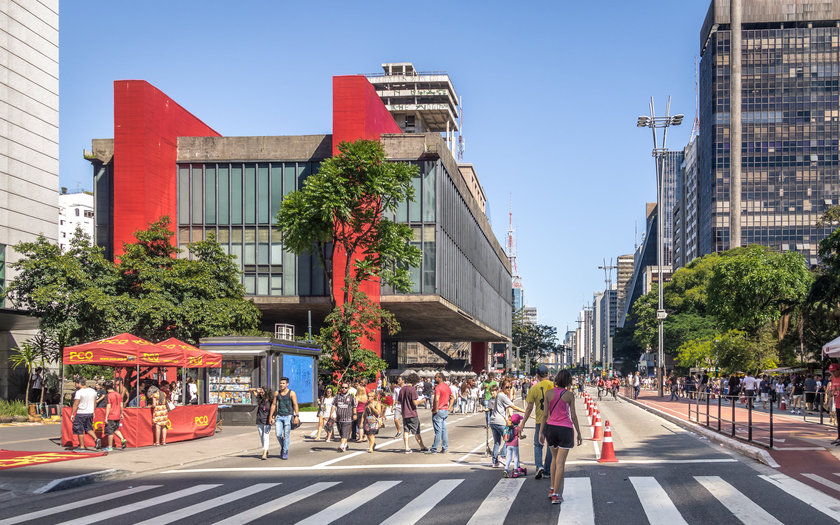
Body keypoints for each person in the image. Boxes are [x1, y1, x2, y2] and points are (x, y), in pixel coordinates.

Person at [540, 369, 583, 505]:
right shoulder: (569, 395)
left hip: (551, 429)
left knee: (554, 459)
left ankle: (552, 489)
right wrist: (579, 432)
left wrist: (541, 432)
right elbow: (574, 416)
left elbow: (545, 415)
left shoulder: (548, 393)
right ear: (568, 381)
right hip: (565, 429)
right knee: (560, 463)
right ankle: (556, 495)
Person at [519, 364, 555, 480]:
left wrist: (523, 423)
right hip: (553, 421)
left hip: (540, 421)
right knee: (551, 445)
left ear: (537, 375)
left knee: (538, 445)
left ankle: (539, 466)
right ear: (548, 374)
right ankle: (548, 470)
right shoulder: (554, 386)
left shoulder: (534, 388)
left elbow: (529, 408)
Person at [489, 380, 525, 468]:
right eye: (506, 387)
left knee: (497, 442)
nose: (508, 389)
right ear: (502, 387)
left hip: (493, 421)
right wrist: (525, 411)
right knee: (509, 438)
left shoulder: (499, 395)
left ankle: (494, 462)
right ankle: (502, 456)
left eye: (510, 387)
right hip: (499, 421)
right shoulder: (502, 396)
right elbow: (513, 406)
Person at [398, 373, 428, 453]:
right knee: (417, 432)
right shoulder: (412, 390)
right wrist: (422, 400)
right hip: (412, 413)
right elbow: (415, 403)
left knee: (406, 431)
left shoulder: (402, 389)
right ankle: (422, 446)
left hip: (405, 413)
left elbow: (399, 401)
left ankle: (407, 447)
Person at [272, 377, 300, 460]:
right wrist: (272, 416)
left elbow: (295, 404)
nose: (281, 385)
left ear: (287, 384)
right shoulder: (277, 393)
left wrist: (297, 416)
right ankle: (284, 446)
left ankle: (284, 451)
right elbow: (274, 404)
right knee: (278, 434)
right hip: (279, 416)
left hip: (288, 416)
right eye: (280, 383)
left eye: (283, 383)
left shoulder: (292, 393)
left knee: (286, 435)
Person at [70, 378, 99, 450]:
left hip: (81, 413)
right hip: (89, 412)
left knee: (79, 430)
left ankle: (82, 446)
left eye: (76, 383)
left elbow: (76, 403)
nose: (75, 385)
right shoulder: (93, 391)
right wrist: (93, 411)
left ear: (79, 383)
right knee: (89, 428)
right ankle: (96, 439)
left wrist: (72, 414)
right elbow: (95, 402)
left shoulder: (79, 392)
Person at [429, 372, 454, 454]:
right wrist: (449, 408)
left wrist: (435, 409)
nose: (434, 378)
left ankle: (434, 449)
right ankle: (445, 447)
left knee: (438, 431)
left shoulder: (438, 387)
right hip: (445, 410)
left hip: (439, 410)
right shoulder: (447, 387)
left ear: (440, 378)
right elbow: (452, 398)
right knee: (444, 430)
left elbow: (436, 399)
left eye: (436, 377)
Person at [331, 382, 356, 452]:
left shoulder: (351, 397)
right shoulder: (337, 397)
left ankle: (342, 446)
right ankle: (345, 444)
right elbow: (333, 405)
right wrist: (331, 414)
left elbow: (354, 406)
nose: (344, 389)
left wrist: (354, 414)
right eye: (342, 387)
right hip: (339, 419)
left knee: (345, 433)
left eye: (345, 388)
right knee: (342, 433)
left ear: (348, 388)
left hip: (347, 418)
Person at [103, 380, 127, 451]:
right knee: (115, 429)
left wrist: (106, 417)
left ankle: (110, 446)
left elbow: (108, 406)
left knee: (109, 432)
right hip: (117, 414)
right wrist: (121, 413)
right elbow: (121, 405)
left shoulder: (108, 396)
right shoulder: (118, 394)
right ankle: (122, 439)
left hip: (111, 415)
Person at [251, 386, 274, 460]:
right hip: (259, 419)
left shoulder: (271, 400)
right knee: (261, 436)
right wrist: (256, 389)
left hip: (267, 420)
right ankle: (265, 449)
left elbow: (274, 409)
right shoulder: (259, 398)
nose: (261, 393)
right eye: (260, 392)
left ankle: (264, 452)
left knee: (265, 436)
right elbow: (250, 390)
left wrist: (272, 417)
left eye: (262, 392)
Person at [504, 413, 525, 478]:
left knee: (509, 458)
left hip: (508, 444)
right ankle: (516, 470)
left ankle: (506, 469)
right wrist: (524, 436)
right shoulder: (518, 428)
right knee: (516, 457)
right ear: (518, 421)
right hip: (515, 444)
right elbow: (520, 437)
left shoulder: (508, 427)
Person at [828, 364, 840, 445]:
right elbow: (831, 392)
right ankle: (839, 437)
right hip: (837, 403)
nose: (832, 373)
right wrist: (831, 392)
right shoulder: (833, 379)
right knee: (839, 421)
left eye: (834, 371)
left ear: (838, 370)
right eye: (831, 372)